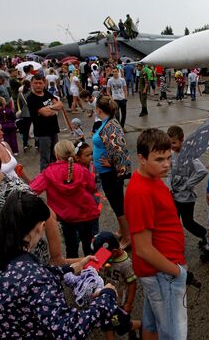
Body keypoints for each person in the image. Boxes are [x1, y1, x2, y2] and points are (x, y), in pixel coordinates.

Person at [0, 191, 119, 339]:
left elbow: (22, 279)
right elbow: (68, 330)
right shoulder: (36, 278)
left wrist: (70, 268)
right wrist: (106, 298)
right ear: (40, 227)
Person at [124, 128, 188, 340]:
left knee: (151, 325)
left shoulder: (152, 179)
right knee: (174, 334)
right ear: (141, 158)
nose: (166, 164)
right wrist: (177, 272)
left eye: (169, 158)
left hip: (161, 271)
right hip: (163, 273)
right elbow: (143, 249)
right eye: (159, 159)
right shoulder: (140, 192)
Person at [30, 140, 100, 258]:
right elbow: (93, 188)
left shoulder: (48, 173)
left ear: (57, 155)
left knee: (71, 247)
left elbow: (32, 190)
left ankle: (73, 272)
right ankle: (92, 270)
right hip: (86, 213)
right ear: (73, 154)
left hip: (66, 217)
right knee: (89, 245)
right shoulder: (82, 170)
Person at [93, 96, 132, 249]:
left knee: (117, 205)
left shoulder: (111, 125)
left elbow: (120, 149)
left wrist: (112, 163)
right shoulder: (106, 123)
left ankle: (127, 237)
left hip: (110, 173)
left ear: (99, 109)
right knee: (117, 203)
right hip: (106, 172)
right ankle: (123, 230)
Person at [93, 232, 142, 340]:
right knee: (108, 325)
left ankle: (141, 326)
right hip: (105, 299)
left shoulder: (126, 265)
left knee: (120, 326)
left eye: (104, 257)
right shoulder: (107, 255)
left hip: (118, 303)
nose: (101, 259)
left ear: (114, 252)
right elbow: (96, 265)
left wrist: (129, 303)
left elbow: (132, 283)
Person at [167, 126, 208, 248]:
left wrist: (188, 185)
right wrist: (168, 186)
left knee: (188, 223)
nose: (172, 146)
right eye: (170, 143)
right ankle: (174, 243)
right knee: (173, 221)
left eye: (174, 143)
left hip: (186, 198)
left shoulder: (189, 155)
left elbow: (202, 171)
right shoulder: (172, 155)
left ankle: (205, 235)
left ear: (182, 140)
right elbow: (169, 173)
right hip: (174, 195)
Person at [27, 73, 63, 171]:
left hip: (54, 129)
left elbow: (60, 104)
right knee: (45, 159)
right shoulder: (31, 98)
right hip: (43, 133)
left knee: (55, 156)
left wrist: (50, 107)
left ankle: (55, 176)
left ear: (44, 83)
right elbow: (46, 113)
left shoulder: (46, 93)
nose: (38, 85)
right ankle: (45, 179)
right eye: (36, 83)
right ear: (32, 84)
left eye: (40, 83)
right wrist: (54, 109)